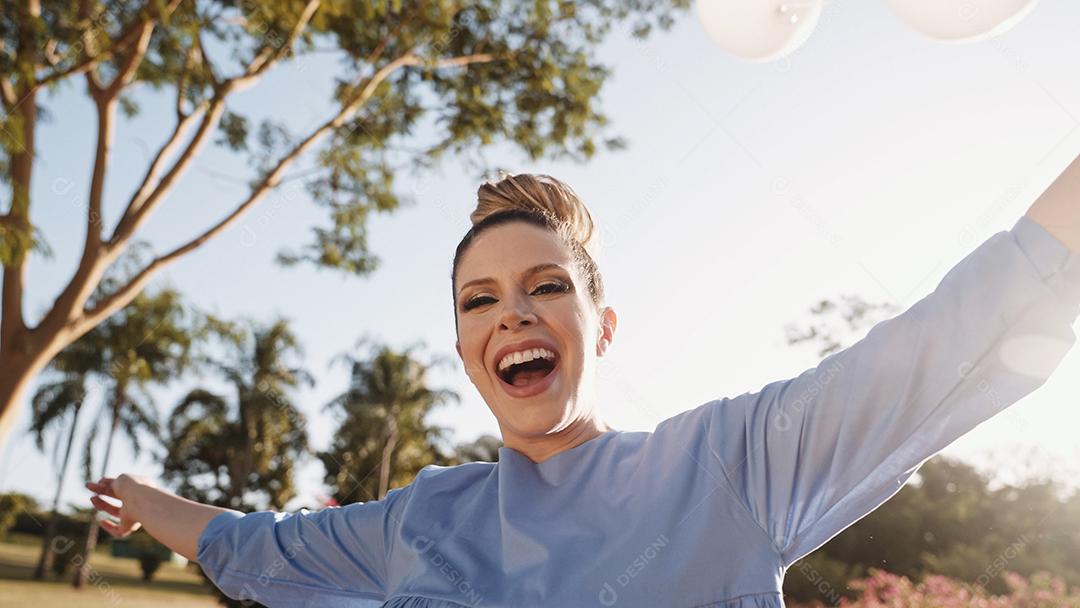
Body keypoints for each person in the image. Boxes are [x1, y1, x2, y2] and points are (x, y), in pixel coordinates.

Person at [88, 162, 1080, 607]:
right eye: (479, 300)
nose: (512, 314)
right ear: (465, 348)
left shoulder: (724, 465)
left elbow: (956, 334)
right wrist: (141, 498)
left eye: (547, 286)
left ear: (601, 326)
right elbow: (256, 547)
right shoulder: (422, 519)